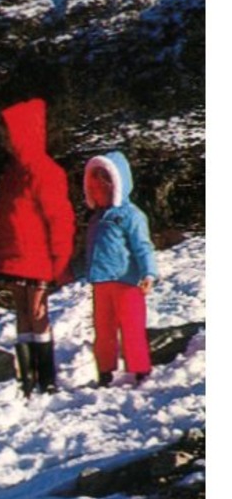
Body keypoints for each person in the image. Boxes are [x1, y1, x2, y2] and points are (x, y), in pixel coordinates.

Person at [0, 98, 76, 396]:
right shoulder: (13, 172)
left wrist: (59, 261)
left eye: (11, 135)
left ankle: (46, 377)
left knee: (38, 313)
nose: (7, 142)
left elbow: (60, 220)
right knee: (22, 313)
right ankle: (28, 377)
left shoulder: (46, 171)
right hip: (15, 256)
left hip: (37, 256)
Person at [80, 151, 158, 386]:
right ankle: (105, 371)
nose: (97, 193)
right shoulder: (96, 218)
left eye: (102, 188)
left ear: (117, 186)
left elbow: (143, 246)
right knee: (103, 330)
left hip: (127, 282)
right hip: (101, 282)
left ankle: (140, 369)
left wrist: (148, 273)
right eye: (92, 189)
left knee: (131, 327)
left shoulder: (130, 215)